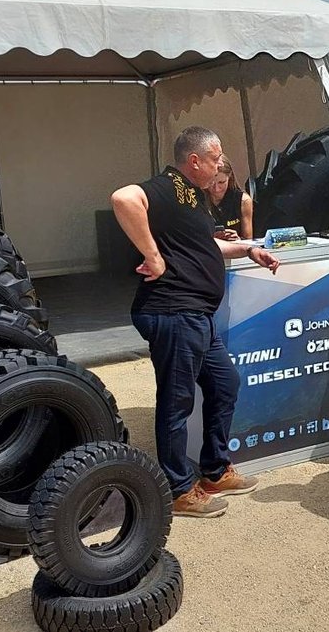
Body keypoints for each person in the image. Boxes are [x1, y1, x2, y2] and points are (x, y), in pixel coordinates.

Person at [111, 126, 281, 517]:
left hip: (196, 316)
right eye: (215, 158)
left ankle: (215, 470)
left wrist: (248, 250)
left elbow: (205, 245)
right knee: (177, 402)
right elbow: (123, 199)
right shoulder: (168, 188)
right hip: (173, 312)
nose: (220, 165)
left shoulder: (193, 198)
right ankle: (177, 489)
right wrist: (153, 256)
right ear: (194, 161)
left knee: (225, 384)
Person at [206, 158, 254, 241]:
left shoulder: (243, 201)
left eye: (221, 182)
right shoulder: (197, 198)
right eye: (211, 183)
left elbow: (248, 240)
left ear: (230, 177)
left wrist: (238, 239)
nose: (216, 189)